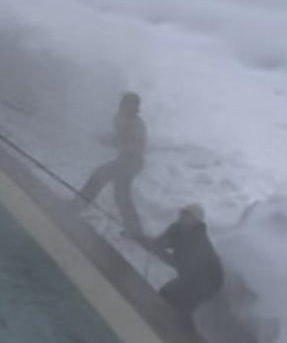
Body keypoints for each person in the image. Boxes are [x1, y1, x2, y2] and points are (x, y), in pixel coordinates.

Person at [140, 205, 225, 325]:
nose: (184, 218)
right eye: (183, 214)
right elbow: (159, 243)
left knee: (178, 301)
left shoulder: (198, 239)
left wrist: (181, 287)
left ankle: (180, 334)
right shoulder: (175, 230)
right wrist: (137, 237)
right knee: (167, 295)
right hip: (189, 277)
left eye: (189, 216)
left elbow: (194, 271)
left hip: (209, 281)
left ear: (196, 221)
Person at [77, 92, 147, 236]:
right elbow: (119, 137)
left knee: (109, 184)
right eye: (126, 103)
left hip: (131, 161)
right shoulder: (120, 116)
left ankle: (76, 207)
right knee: (118, 192)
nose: (127, 106)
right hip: (123, 159)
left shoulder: (135, 123)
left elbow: (133, 144)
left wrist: (119, 143)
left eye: (131, 104)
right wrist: (108, 139)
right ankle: (134, 229)